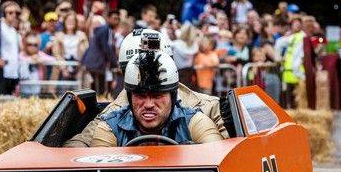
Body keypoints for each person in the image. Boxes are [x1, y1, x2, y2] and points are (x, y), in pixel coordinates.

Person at [64, 29, 229, 147]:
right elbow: (81, 146)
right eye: (135, 67)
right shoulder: (112, 120)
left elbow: (225, 149)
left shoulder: (205, 108)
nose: (146, 69)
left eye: (158, 94)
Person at [90, 51, 223, 146]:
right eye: (140, 96)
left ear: (173, 96)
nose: (148, 104)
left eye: (157, 96)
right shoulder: (110, 127)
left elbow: (216, 157)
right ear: (129, 98)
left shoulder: (195, 122)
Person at [81, 9, 120, 94]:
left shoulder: (108, 31)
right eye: (114, 18)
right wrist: (115, 63)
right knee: (98, 89)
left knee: (99, 88)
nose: (116, 21)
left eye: (118, 19)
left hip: (98, 64)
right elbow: (106, 48)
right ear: (108, 18)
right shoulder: (104, 29)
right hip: (95, 63)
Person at [0, 1, 23, 94]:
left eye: (16, 13)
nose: (14, 15)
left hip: (14, 70)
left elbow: (21, 49)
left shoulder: (14, 30)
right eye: (10, 12)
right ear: (3, 13)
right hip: (3, 70)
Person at [51, 11, 88, 85]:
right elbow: (56, 53)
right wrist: (64, 68)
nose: (70, 22)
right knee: (62, 93)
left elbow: (86, 52)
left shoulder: (82, 35)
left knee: (78, 93)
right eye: (68, 20)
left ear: (76, 22)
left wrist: (79, 68)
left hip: (78, 67)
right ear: (64, 22)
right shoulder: (58, 35)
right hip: (62, 68)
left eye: (72, 20)